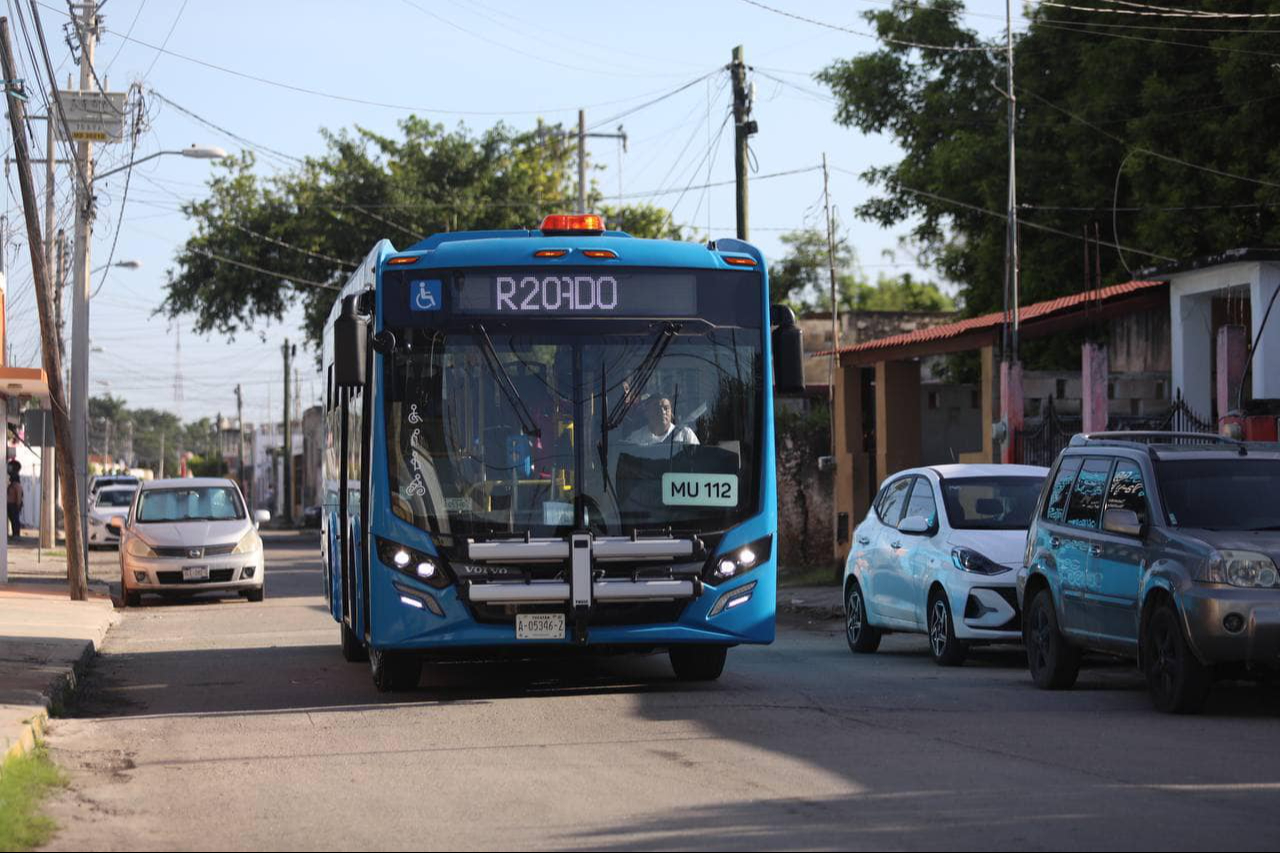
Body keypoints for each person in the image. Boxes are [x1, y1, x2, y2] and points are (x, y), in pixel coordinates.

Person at [626, 395, 698, 447]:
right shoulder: (635, 439)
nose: (662, 412)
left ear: (671, 413)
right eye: (657, 408)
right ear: (647, 412)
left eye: (666, 408)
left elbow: (697, 461)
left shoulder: (685, 435)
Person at [7, 474, 22, 540]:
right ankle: (14, 534)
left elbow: (18, 496)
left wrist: (18, 505)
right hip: (10, 504)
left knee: (15, 520)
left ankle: (16, 534)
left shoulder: (17, 486)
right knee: (12, 520)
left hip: (14, 505)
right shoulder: (11, 485)